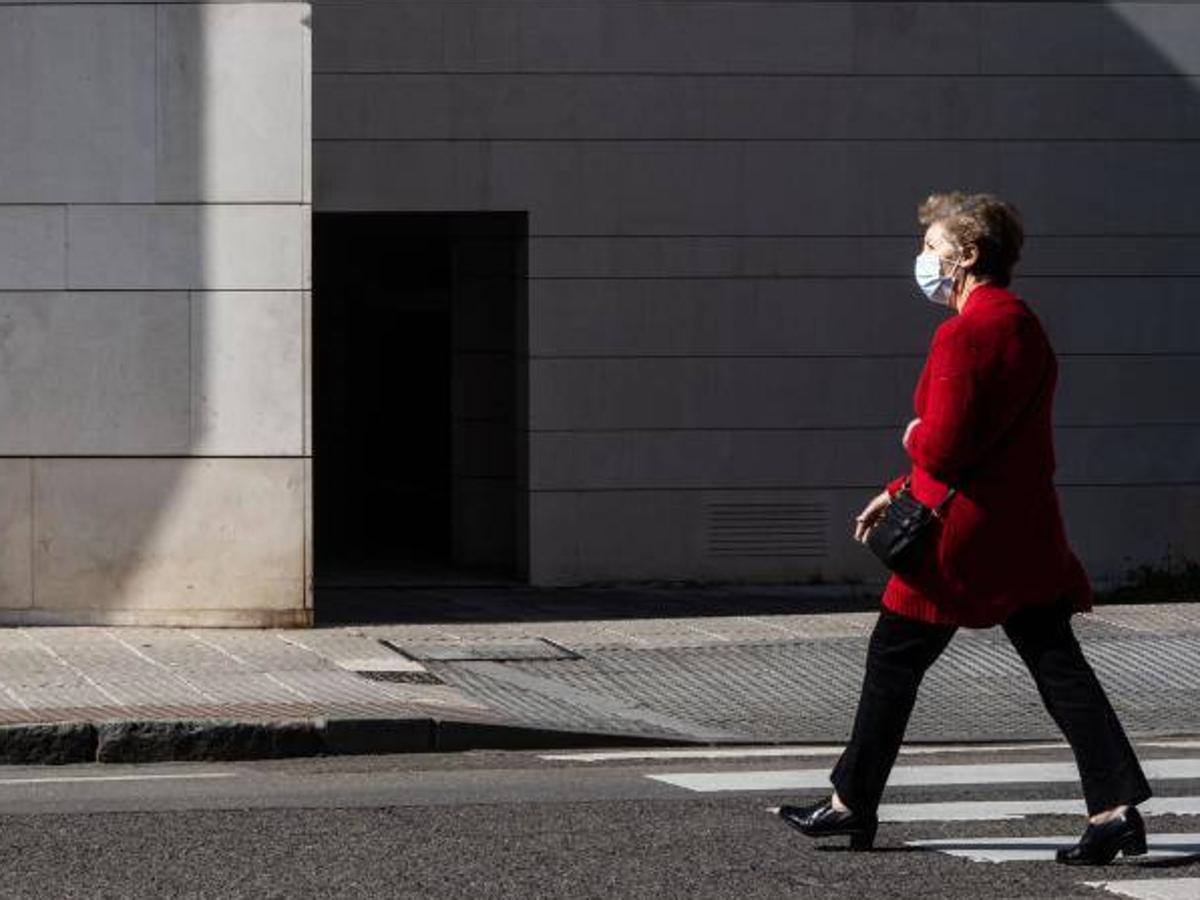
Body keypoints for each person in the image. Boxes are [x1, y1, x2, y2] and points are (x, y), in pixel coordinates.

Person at [777, 192, 1152, 865]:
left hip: (962, 545)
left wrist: (911, 436)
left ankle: (850, 805)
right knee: (1058, 667)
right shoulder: (1024, 326)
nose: (923, 259)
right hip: (1026, 531)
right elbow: (992, 441)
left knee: (893, 660)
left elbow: (947, 447)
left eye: (932, 246)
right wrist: (895, 490)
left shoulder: (963, 333)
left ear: (968, 255)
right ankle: (1115, 809)